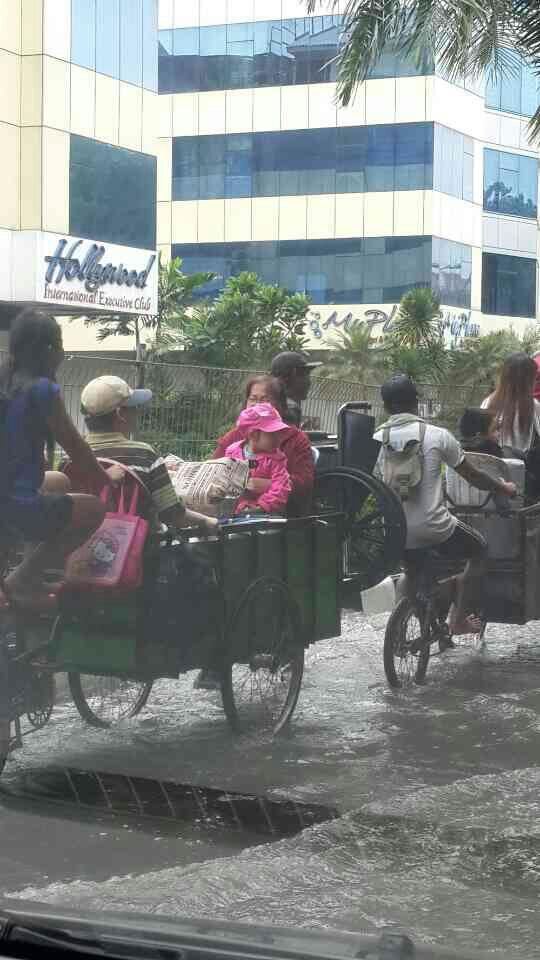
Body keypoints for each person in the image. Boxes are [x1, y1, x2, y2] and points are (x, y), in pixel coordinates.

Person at [0, 310, 123, 611]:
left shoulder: (8, 383)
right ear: (48, 351)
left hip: (8, 490)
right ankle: (21, 581)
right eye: (60, 345)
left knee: (60, 481)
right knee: (94, 509)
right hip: (12, 503)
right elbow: (76, 446)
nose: (63, 353)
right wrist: (107, 478)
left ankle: (27, 576)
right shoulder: (43, 389)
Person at [375, 375, 516, 636]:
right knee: (480, 551)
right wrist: (503, 487)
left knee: (411, 570)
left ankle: (399, 631)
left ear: (385, 407)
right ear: (416, 403)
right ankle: (459, 619)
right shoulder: (438, 435)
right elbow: (473, 476)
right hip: (435, 528)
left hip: (395, 530)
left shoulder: (378, 439)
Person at [80, 376, 218, 535]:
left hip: (82, 551)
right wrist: (205, 520)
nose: (137, 412)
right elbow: (172, 514)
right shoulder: (144, 455)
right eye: (133, 407)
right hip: (140, 552)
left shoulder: (71, 459)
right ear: (120, 414)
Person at [213, 375, 315, 517]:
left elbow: (305, 483)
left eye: (265, 400)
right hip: (234, 512)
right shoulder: (234, 437)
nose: (257, 405)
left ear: (279, 406)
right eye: (252, 399)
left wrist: (269, 485)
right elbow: (213, 468)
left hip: (280, 516)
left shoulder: (296, 439)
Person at [225, 403, 291, 515]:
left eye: (279, 433)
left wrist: (262, 506)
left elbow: (281, 487)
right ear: (254, 435)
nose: (279, 438)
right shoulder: (232, 452)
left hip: (266, 514)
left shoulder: (276, 459)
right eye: (273, 434)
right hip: (236, 511)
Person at [481, 353, 540, 457]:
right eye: (535, 378)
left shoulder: (488, 401)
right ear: (527, 381)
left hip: (491, 466)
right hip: (520, 468)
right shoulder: (533, 406)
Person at [270, 351, 321, 428]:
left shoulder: (269, 403)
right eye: (305, 375)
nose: (309, 382)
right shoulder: (289, 409)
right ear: (293, 375)